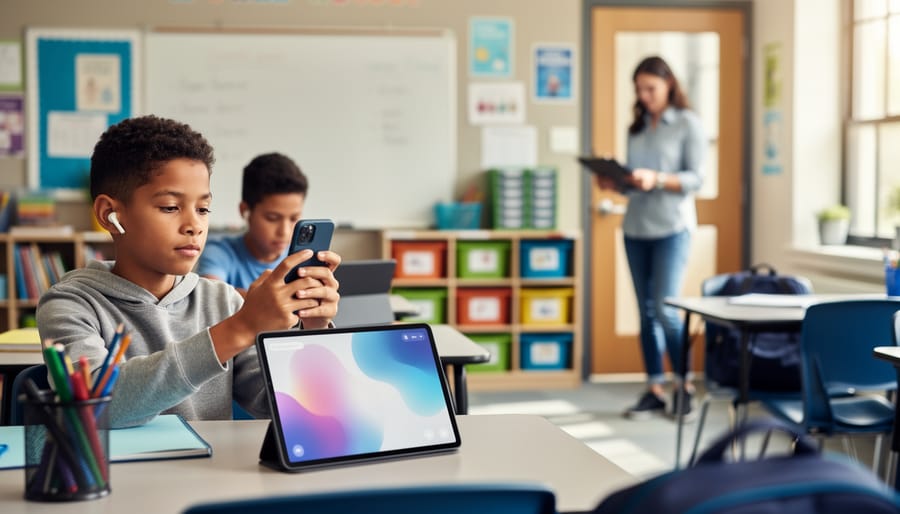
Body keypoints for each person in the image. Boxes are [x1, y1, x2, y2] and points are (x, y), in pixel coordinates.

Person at [36, 115, 342, 428]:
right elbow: (98, 409)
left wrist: (314, 329)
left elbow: (287, 407)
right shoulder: (70, 304)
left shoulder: (223, 302)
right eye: (170, 207)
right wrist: (240, 328)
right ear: (109, 214)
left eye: (203, 209)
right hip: (114, 463)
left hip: (211, 461)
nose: (194, 225)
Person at [595, 56, 705, 420]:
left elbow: (696, 179)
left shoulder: (688, 124)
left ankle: (684, 387)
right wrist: (616, 182)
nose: (644, 96)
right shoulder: (637, 128)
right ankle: (654, 389)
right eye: (639, 90)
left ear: (669, 84)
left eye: (650, 88)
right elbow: (634, 184)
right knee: (645, 313)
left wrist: (656, 178)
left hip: (672, 228)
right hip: (636, 228)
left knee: (665, 310)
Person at [197, 153, 308, 296]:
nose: (285, 232)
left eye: (294, 218)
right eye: (272, 218)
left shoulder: (303, 259)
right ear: (245, 211)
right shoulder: (219, 252)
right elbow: (213, 295)